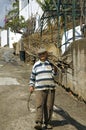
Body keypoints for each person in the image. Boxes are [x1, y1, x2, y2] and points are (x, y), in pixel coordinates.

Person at [29, 48, 57, 130]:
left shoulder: (50, 64)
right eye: (40, 54)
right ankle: (39, 122)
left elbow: (54, 75)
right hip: (39, 88)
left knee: (49, 106)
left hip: (50, 88)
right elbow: (32, 76)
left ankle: (47, 123)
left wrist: (55, 69)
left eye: (43, 53)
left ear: (46, 54)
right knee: (39, 105)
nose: (42, 55)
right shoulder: (36, 65)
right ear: (38, 55)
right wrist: (31, 85)